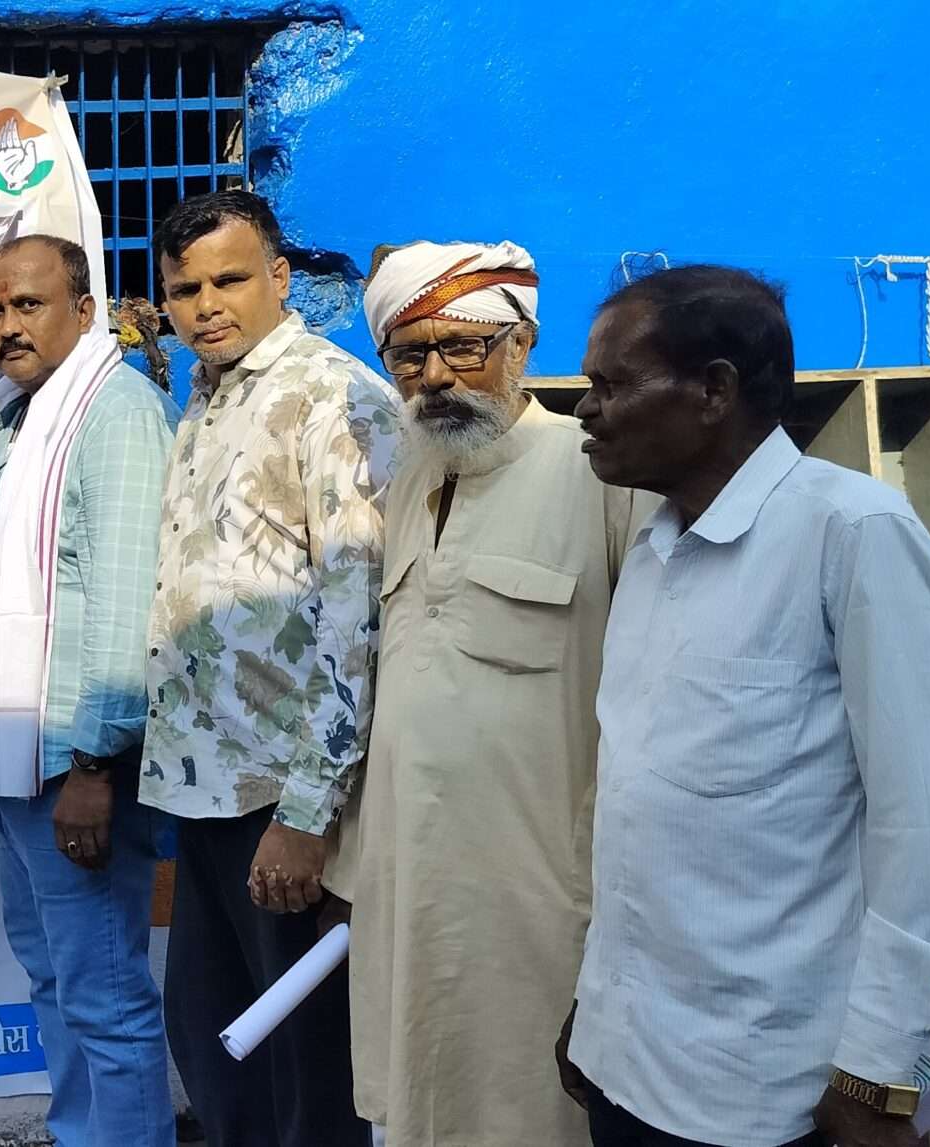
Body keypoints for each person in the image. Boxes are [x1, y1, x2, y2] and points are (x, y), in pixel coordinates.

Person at [556, 265, 930, 1147]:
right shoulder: (654, 550)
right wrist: (595, 1006)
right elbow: (640, 812)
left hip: (767, 1091)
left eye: (612, 384)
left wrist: (879, 1073)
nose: (585, 409)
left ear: (713, 391)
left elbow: (929, 825)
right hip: (625, 1064)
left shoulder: (854, 533)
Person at [321, 241, 641, 1147]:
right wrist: (354, 867)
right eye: (408, 355)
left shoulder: (598, 474)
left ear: (521, 344)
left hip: (541, 899)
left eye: (463, 347)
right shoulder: (414, 479)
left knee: (534, 1112)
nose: (434, 377)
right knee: (417, 1106)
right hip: (407, 892)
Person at [0, 235, 179, 1147]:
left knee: (105, 996)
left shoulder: (115, 413)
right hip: (12, 766)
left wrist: (95, 768)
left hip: (73, 768)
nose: (8, 326)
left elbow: (126, 602)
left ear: (84, 310)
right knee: (55, 983)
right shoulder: (8, 418)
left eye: (29, 304)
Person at [140, 189, 395, 1147]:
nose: (207, 305)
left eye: (231, 279)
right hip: (204, 787)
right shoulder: (205, 395)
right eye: (185, 289)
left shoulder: (333, 397)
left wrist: (306, 815)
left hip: (283, 802)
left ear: (281, 277)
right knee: (220, 1057)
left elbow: (360, 620)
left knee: (307, 1076)